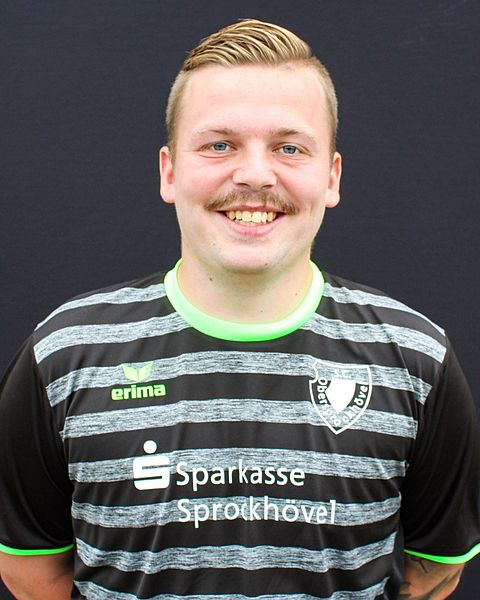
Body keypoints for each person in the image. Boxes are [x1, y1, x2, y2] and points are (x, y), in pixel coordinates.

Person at [0, 18, 479, 600]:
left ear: (331, 176)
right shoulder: (62, 357)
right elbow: (31, 571)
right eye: (219, 145)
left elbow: (436, 571)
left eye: (289, 148)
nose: (254, 174)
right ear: (169, 171)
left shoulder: (416, 360)